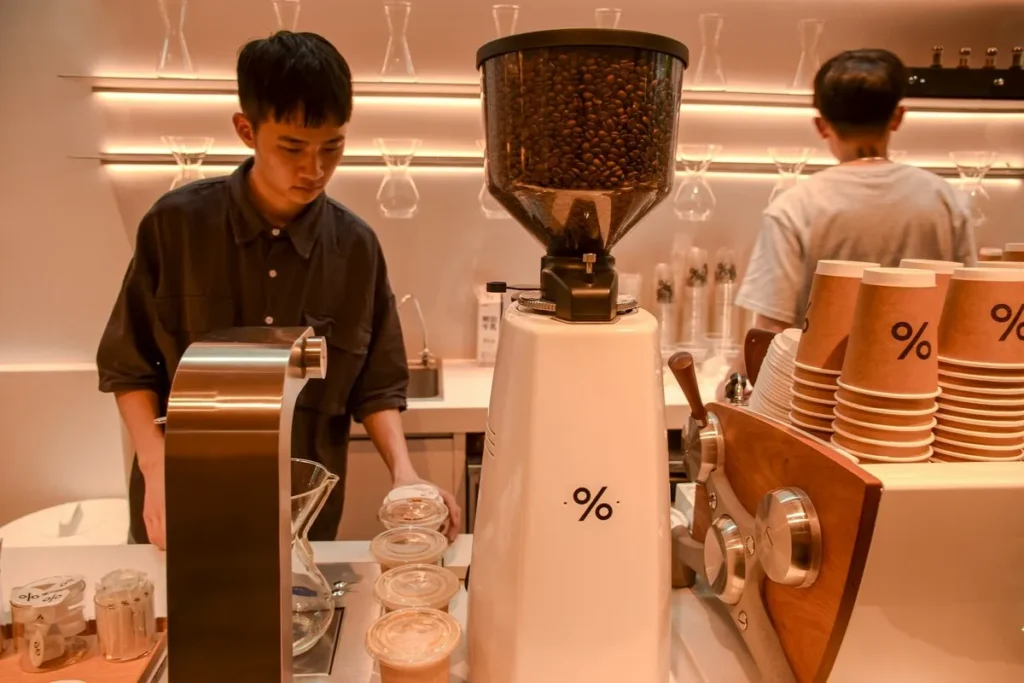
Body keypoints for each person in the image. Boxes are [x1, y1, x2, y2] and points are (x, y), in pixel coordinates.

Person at [96, 31, 461, 549]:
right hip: (185, 499)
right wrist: (156, 469)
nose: (314, 170)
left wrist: (405, 475)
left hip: (303, 517)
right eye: (292, 148)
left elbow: (376, 385)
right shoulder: (175, 226)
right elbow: (127, 366)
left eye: (331, 147)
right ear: (246, 130)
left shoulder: (355, 247)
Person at [735, 48, 976, 336]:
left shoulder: (794, 208)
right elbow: (970, 310)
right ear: (898, 117)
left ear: (821, 126)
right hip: (927, 377)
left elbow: (771, 330)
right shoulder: (947, 200)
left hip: (820, 380)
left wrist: (730, 380)